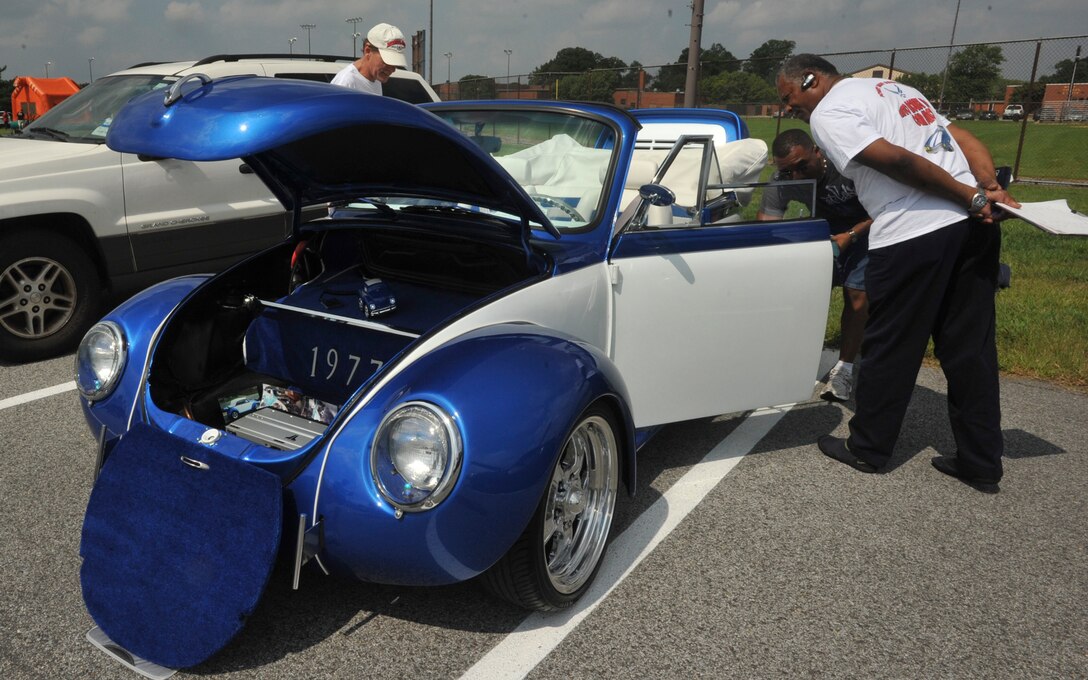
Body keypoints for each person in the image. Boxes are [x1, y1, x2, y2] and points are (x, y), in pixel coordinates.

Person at [776, 54, 1019, 492]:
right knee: (972, 348)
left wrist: (972, 196)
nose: (790, 109)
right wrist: (988, 187)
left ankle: (868, 449)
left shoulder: (830, 111)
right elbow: (959, 137)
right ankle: (981, 461)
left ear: (811, 80)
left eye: (790, 98)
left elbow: (895, 161)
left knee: (890, 346)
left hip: (913, 231)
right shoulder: (900, 90)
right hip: (969, 231)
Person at [757, 128, 871, 402]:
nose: (795, 176)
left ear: (817, 152)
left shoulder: (849, 167)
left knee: (857, 295)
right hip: (825, 232)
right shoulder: (783, 179)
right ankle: (789, 362)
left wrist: (852, 235)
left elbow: (884, 208)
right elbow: (766, 224)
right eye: (787, 171)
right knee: (801, 292)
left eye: (801, 166)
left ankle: (845, 368)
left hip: (865, 231)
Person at [330, 22, 408, 95]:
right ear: (368, 51)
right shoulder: (346, 82)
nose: (392, 69)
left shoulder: (376, 80)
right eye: (387, 61)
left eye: (395, 64)